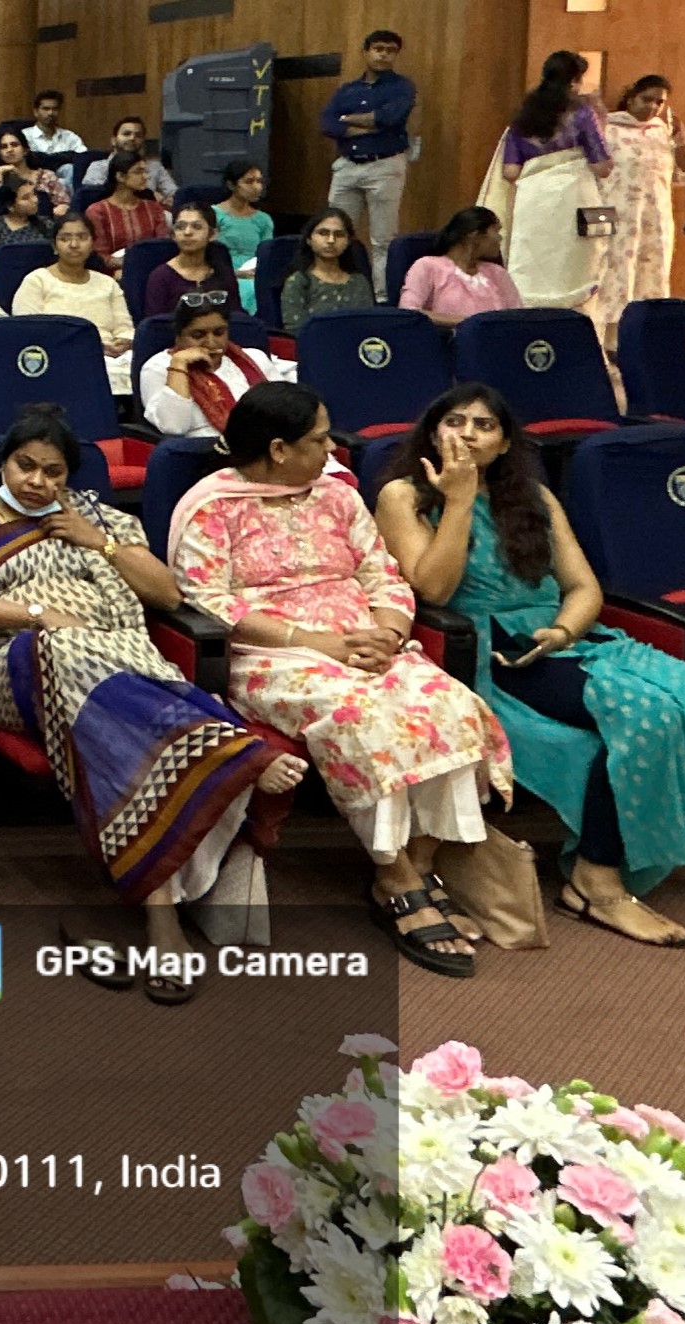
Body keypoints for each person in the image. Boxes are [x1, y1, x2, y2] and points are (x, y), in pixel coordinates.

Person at [0, 405, 303, 980]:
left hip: (119, 660)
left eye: (53, 472)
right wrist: (40, 614)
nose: (36, 481)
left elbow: (167, 596)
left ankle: (161, 910)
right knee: (66, 649)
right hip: (19, 663)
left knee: (112, 728)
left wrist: (99, 542)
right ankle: (225, 743)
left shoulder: (97, 519)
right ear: (4, 463)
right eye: (25, 465)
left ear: (68, 477)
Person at [373, 382, 685, 945]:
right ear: (432, 432)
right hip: (491, 650)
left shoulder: (534, 498)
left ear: (504, 443)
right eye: (454, 422)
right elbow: (434, 589)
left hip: (569, 639)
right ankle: (596, 882)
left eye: (483, 425)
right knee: (645, 716)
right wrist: (459, 499)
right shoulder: (402, 496)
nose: (468, 434)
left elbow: (582, 586)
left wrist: (565, 630)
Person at [171, 382, 509, 975]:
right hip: (273, 655)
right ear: (279, 449)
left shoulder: (338, 496)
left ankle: (420, 864)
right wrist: (317, 642)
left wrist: (390, 633)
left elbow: (383, 575)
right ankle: (394, 877)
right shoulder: (212, 507)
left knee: (450, 704)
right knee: (363, 716)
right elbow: (210, 603)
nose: (332, 450)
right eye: (319, 440)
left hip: (365, 641)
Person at [480, 51, 615, 310]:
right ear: (574, 81)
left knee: (532, 264)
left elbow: (510, 171)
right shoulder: (582, 113)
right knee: (575, 268)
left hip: (533, 199)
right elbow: (602, 167)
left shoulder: (524, 114)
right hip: (574, 198)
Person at [322, 30, 417, 300]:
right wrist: (367, 124)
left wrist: (348, 120)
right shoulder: (348, 90)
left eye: (390, 50)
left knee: (382, 239)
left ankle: (382, 298)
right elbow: (327, 124)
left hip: (384, 166)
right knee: (335, 232)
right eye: (378, 49)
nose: (383, 54)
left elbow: (390, 118)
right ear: (366, 52)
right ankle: (336, 290)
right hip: (347, 166)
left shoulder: (402, 87)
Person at [597, 75, 684, 354]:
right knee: (617, 273)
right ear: (632, 97)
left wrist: (681, 140)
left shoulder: (663, 131)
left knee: (651, 271)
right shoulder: (609, 128)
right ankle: (610, 339)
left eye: (660, 102)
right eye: (647, 99)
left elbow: (680, 174)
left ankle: (645, 336)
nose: (653, 107)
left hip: (655, 217)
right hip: (618, 214)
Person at [14, 213, 135, 394]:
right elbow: (29, 332)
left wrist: (123, 342)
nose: (74, 244)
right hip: (60, 355)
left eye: (82, 237)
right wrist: (93, 347)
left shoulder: (107, 283)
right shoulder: (36, 281)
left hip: (112, 357)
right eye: (65, 238)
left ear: (92, 244)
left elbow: (124, 327)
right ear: (54, 246)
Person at [141, 300, 296, 438]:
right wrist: (179, 365)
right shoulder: (159, 367)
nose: (211, 342)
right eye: (198, 335)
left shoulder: (254, 358)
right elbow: (174, 427)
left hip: (268, 444)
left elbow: (288, 409)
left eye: (219, 333)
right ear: (179, 336)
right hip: (204, 451)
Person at [400, 206, 522, 326]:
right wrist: (470, 323)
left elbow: (518, 317)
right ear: (475, 235)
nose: (499, 238)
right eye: (496, 231)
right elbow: (409, 311)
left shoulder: (498, 273)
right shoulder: (427, 266)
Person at [141, 202, 241, 321]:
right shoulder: (161, 276)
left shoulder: (221, 272)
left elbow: (237, 316)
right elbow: (154, 324)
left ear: (212, 234)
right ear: (173, 235)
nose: (187, 232)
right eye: (180, 227)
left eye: (197, 227)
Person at [279, 210, 377, 331]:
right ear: (309, 239)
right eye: (323, 233)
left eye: (339, 235)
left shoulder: (359, 282)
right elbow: (296, 330)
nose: (331, 240)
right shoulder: (298, 281)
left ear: (348, 241)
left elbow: (368, 325)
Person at [84, 151, 169, 277]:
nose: (145, 177)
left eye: (145, 172)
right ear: (120, 176)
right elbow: (99, 255)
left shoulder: (153, 208)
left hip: (151, 270)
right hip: (111, 274)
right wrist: (128, 264)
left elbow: (163, 245)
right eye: (138, 172)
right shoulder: (97, 211)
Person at [214, 160, 274, 312]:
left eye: (259, 181)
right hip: (222, 271)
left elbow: (267, 254)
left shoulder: (263, 219)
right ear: (231, 185)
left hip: (253, 273)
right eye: (249, 182)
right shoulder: (214, 214)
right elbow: (209, 252)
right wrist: (234, 273)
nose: (257, 187)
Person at [80, 117, 178, 203]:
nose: (132, 138)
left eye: (138, 135)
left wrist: (168, 200)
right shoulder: (99, 166)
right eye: (126, 134)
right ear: (114, 140)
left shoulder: (155, 167)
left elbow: (174, 193)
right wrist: (149, 194)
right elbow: (91, 195)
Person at [0, 177, 51, 265]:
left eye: (34, 194)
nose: (35, 200)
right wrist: (7, 257)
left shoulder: (46, 224)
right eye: (26, 198)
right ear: (10, 206)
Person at [21, 89, 86, 179]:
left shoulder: (70, 137)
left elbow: (84, 158)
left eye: (55, 109)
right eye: (46, 109)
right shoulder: (24, 136)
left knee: (69, 168)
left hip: (65, 183)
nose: (50, 113)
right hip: (33, 180)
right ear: (36, 112)